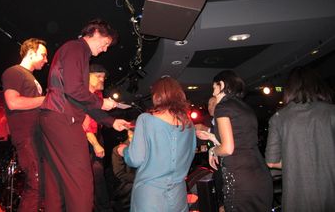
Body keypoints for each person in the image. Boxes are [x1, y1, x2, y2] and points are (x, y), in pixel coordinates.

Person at [39, 18, 129, 212]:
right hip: (63, 118)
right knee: (81, 181)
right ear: (95, 32)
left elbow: (79, 98)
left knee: (56, 182)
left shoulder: (75, 51)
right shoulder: (77, 48)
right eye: (105, 44)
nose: (105, 50)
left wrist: (111, 122)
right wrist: (101, 102)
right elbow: (74, 91)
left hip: (54, 117)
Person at [118, 76, 196, 212]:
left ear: (156, 96)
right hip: (178, 195)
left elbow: (135, 159)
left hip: (150, 196)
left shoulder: (146, 120)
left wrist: (124, 151)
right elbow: (189, 156)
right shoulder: (189, 125)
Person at [265, 66, 335, 212]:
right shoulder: (331, 112)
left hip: (297, 199)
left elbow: (272, 162)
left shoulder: (279, 118)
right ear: (317, 85)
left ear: (289, 89)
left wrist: (297, 163)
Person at [209, 70, 273, 212]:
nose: (213, 93)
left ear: (222, 85)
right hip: (260, 174)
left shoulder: (222, 107)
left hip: (240, 178)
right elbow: (240, 141)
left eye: (214, 87)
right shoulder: (245, 107)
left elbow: (228, 149)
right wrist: (213, 139)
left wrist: (213, 150)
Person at [1, 38, 48, 212]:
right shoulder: (14, 72)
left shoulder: (32, 79)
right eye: (43, 55)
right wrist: (45, 99)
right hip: (26, 136)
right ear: (30, 53)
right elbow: (13, 103)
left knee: (41, 185)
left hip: (37, 136)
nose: (46, 60)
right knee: (35, 183)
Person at [82, 63, 113, 212]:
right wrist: (95, 144)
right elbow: (84, 124)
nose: (102, 79)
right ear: (86, 77)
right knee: (96, 177)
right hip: (84, 140)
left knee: (97, 178)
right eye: (98, 76)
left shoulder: (98, 95)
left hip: (95, 137)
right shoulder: (81, 95)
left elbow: (98, 119)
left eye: (103, 77)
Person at [111, 129, 136, 212]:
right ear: (129, 133)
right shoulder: (118, 150)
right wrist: (139, 178)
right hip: (127, 185)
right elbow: (119, 173)